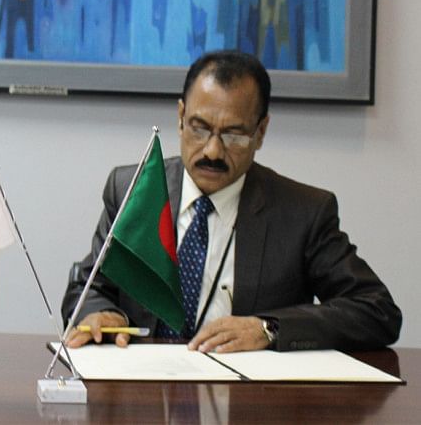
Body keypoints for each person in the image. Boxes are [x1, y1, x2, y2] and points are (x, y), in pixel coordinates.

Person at [62, 50, 401, 353]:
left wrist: (268, 329)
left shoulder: (303, 213)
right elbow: (87, 287)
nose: (212, 151)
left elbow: (377, 311)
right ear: (180, 117)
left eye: (233, 134)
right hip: (142, 389)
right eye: (199, 128)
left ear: (260, 132)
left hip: (245, 395)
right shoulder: (133, 190)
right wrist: (101, 314)